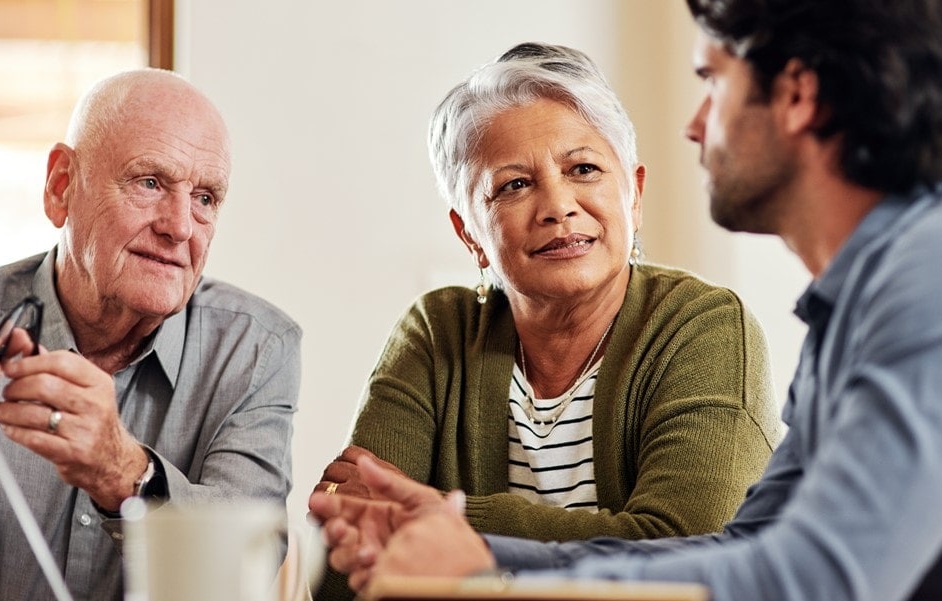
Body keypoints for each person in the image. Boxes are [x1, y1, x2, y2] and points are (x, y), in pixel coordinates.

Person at [311, 0, 942, 599]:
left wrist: (491, 572)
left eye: (714, 81)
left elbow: (816, 578)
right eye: (514, 185)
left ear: (797, 95)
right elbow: (744, 545)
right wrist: (488, 556)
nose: (696, 124)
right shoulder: (865, 300)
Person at [309, 42, 782, 600]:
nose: (558, 205)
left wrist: (449, 521)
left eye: (583, 168)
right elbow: (341, 571)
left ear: (633, 195)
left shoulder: (702, 327)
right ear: (470, 234)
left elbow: (689, 551)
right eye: (514, 185)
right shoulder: (438, 331)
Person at [0, 69, 301, 600]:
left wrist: (124, 471)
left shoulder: (257, 350)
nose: (180, 226)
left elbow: (230, 585)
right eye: (149, 183)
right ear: (62, 186)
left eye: (205, 198)